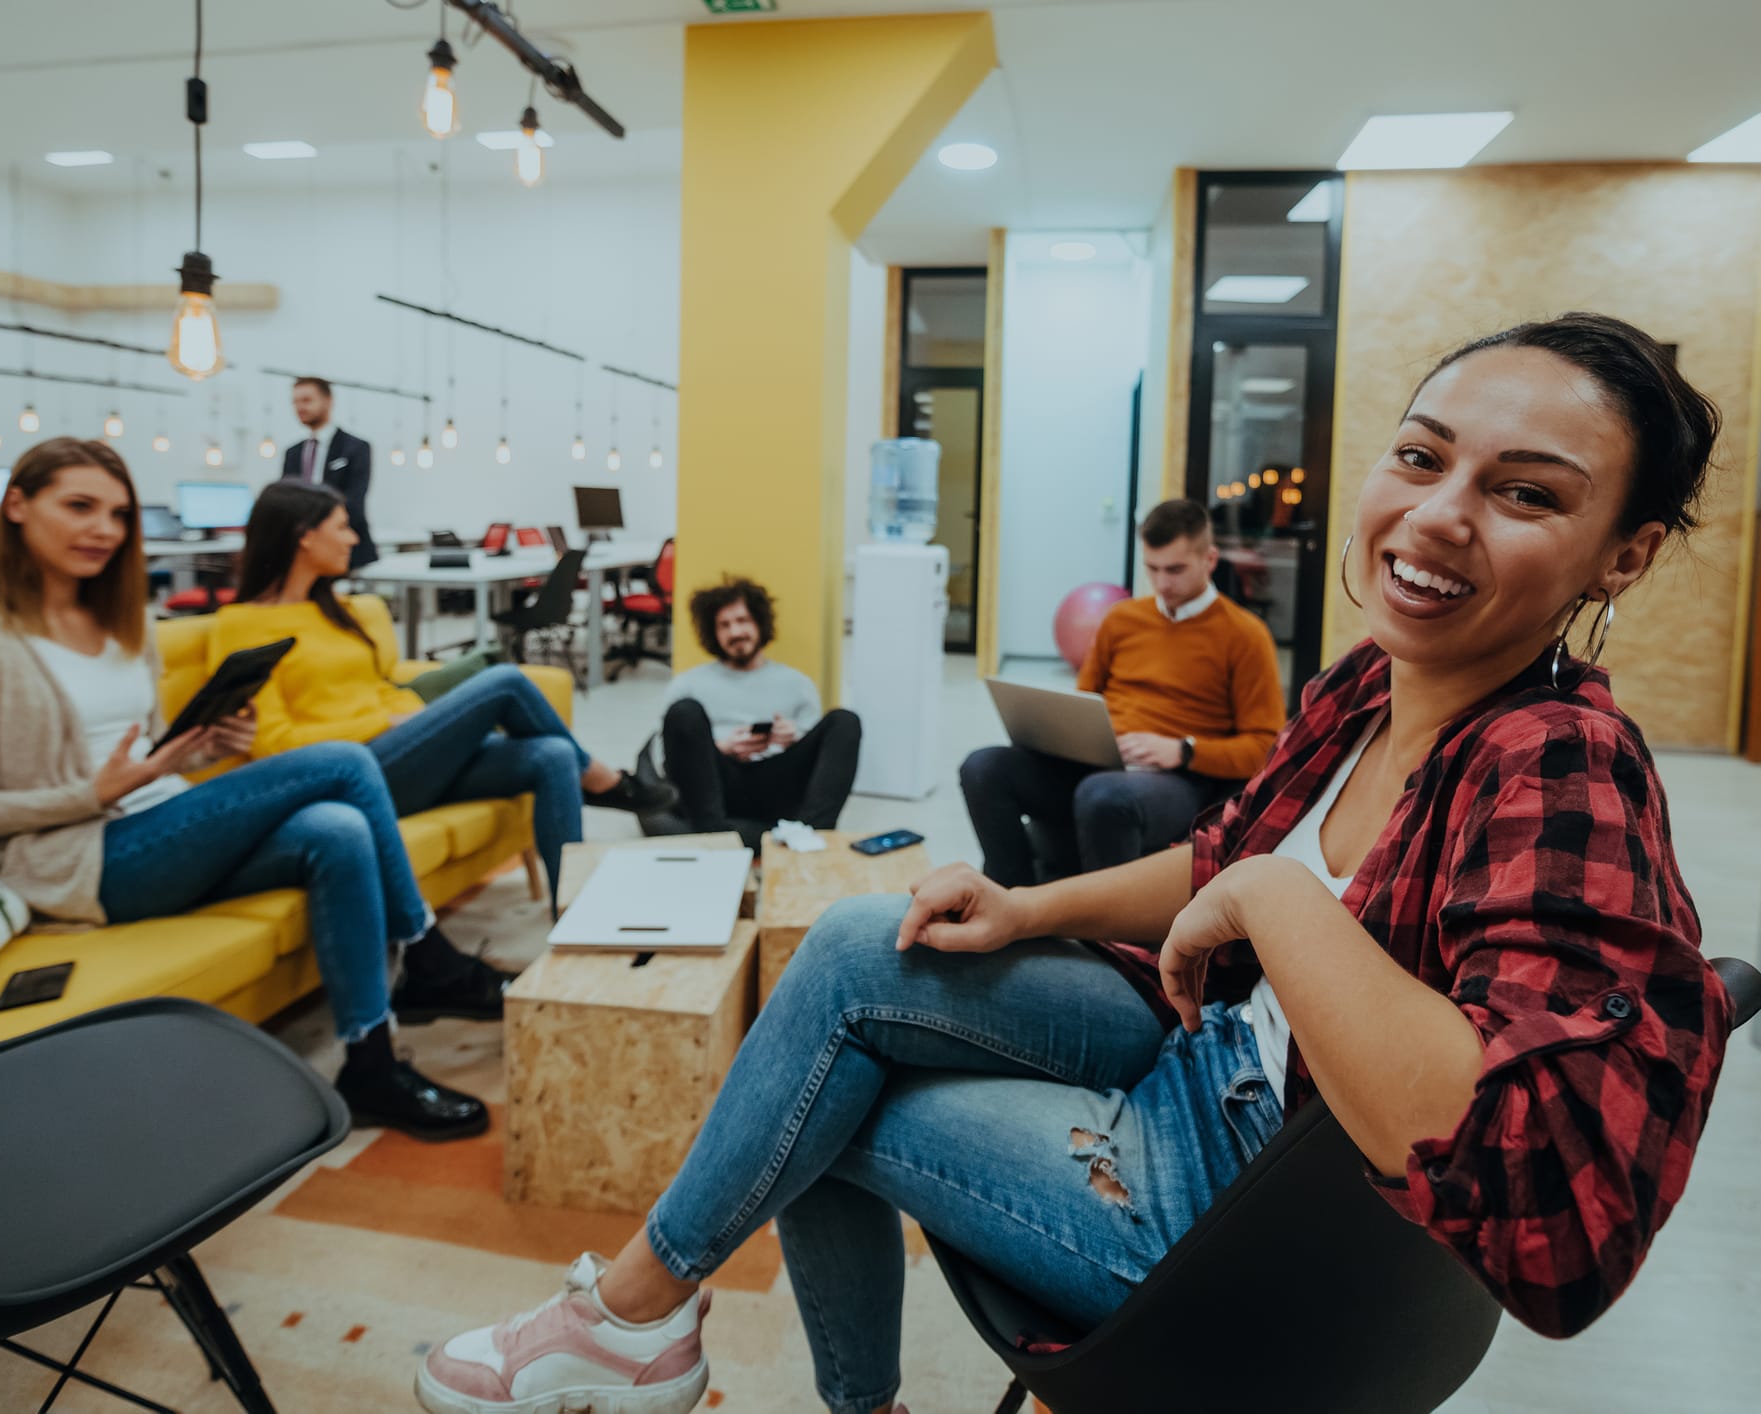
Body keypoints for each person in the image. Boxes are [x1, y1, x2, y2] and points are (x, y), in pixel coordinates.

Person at [418, 313, 1734, 1413]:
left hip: (1235, 1210)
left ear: (1622, 552)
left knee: (818, 1102)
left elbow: (1551, 1209)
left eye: (1523, 492)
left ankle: (647, 1322)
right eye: (1421, 456)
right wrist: (1022, 902)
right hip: (1198, 1046)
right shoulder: (1366, 686)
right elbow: (1217, 850)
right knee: (860, 947)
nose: (1440, 514)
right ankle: (657, 1329)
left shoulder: (1556, 763)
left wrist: (1270, 897)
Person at [0, 437, 494, 1141]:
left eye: (117, 514)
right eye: (79, 506)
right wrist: (88, 793)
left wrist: (200, 752)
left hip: (158, 822)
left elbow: (145, 762)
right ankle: (427, 955)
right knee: (342, 764)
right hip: (72, 859)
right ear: (16, 506)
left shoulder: (125, 625)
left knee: (339, 830)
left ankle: (370, 1063)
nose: (102, 529)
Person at [209, 481, 675, 904]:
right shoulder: (242, 626)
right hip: (351, 772)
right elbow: (272, 743)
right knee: (505, 681)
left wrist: (419, 722)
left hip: (403, 754)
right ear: (303, 536)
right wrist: (387, 725)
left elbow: (380, 689)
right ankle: (603, 779)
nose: (354, 538)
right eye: (343, 527)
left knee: (552, 754)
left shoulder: (342, 610)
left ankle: (573, 910)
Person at [961, 499, 1284, 888]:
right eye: (1153, 568)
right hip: (1098, 762)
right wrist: (1064, 735)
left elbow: (1265, 747)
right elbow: (1083, 703)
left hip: (1177, 778)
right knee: (982, 768)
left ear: (1209, 559)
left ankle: (1106, 941)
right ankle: (1013, 899)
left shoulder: (1245, 635)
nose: (1163, 583)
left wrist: (1184, 750)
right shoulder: (1122, 619)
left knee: (1103, 796)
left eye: (1176, 569)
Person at [658, 578, 862, 850]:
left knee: (845, 721)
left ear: (759, 623)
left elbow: (821, 763)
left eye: (743, 621)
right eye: (725, 625)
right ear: (713, 633)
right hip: (716, 782)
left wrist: (794, 739)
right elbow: (668, 757)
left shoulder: (796, 684)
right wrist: (722, 748)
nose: (736, 631)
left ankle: (810, 836)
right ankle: (716, 838)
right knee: (683, 711)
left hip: (778, 780)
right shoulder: (688, 684)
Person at [282, 377, 377, 571]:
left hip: (349, 551)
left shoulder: (356, 448)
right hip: (304, 552)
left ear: (328, 401)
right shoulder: (293, 453)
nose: (300, 407)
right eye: (295, 402)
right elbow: (286, 501)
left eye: (307, 400)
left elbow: (354, 502)